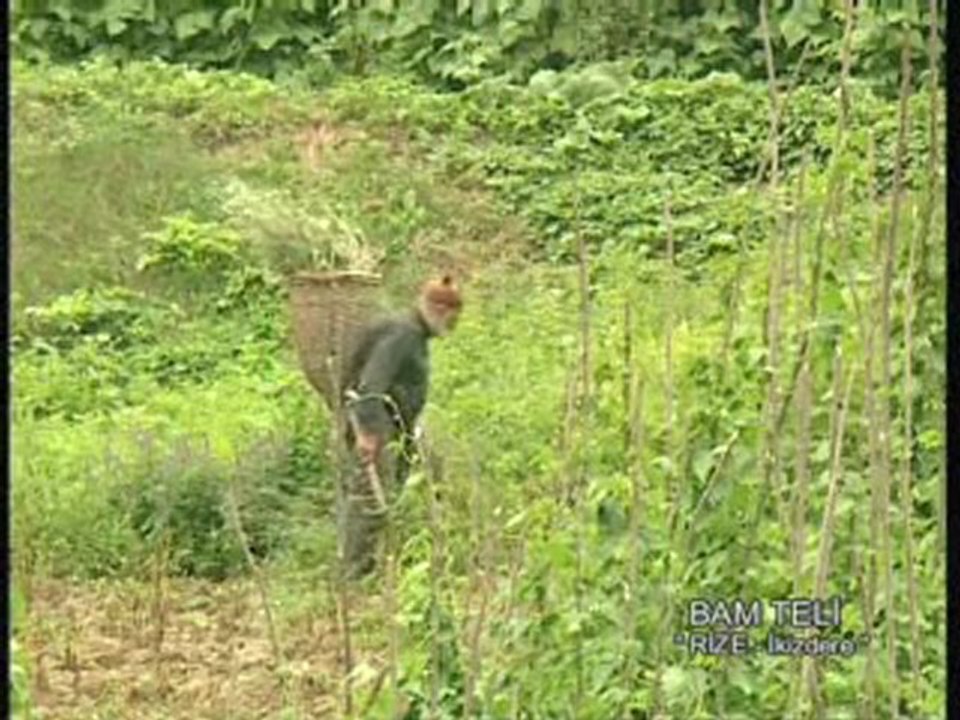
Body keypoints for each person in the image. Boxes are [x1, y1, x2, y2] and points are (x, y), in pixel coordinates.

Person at [338, 274, 463, 579]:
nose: (453, 325)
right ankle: (353, 577)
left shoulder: (413, 333)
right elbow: (370, 385)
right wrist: (368, 433)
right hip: (379, 427)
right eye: (453, 317)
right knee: (370, 498)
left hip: (396, 428)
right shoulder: (403, 334)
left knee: (408, 483)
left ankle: (386, 564)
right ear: (441, 311)